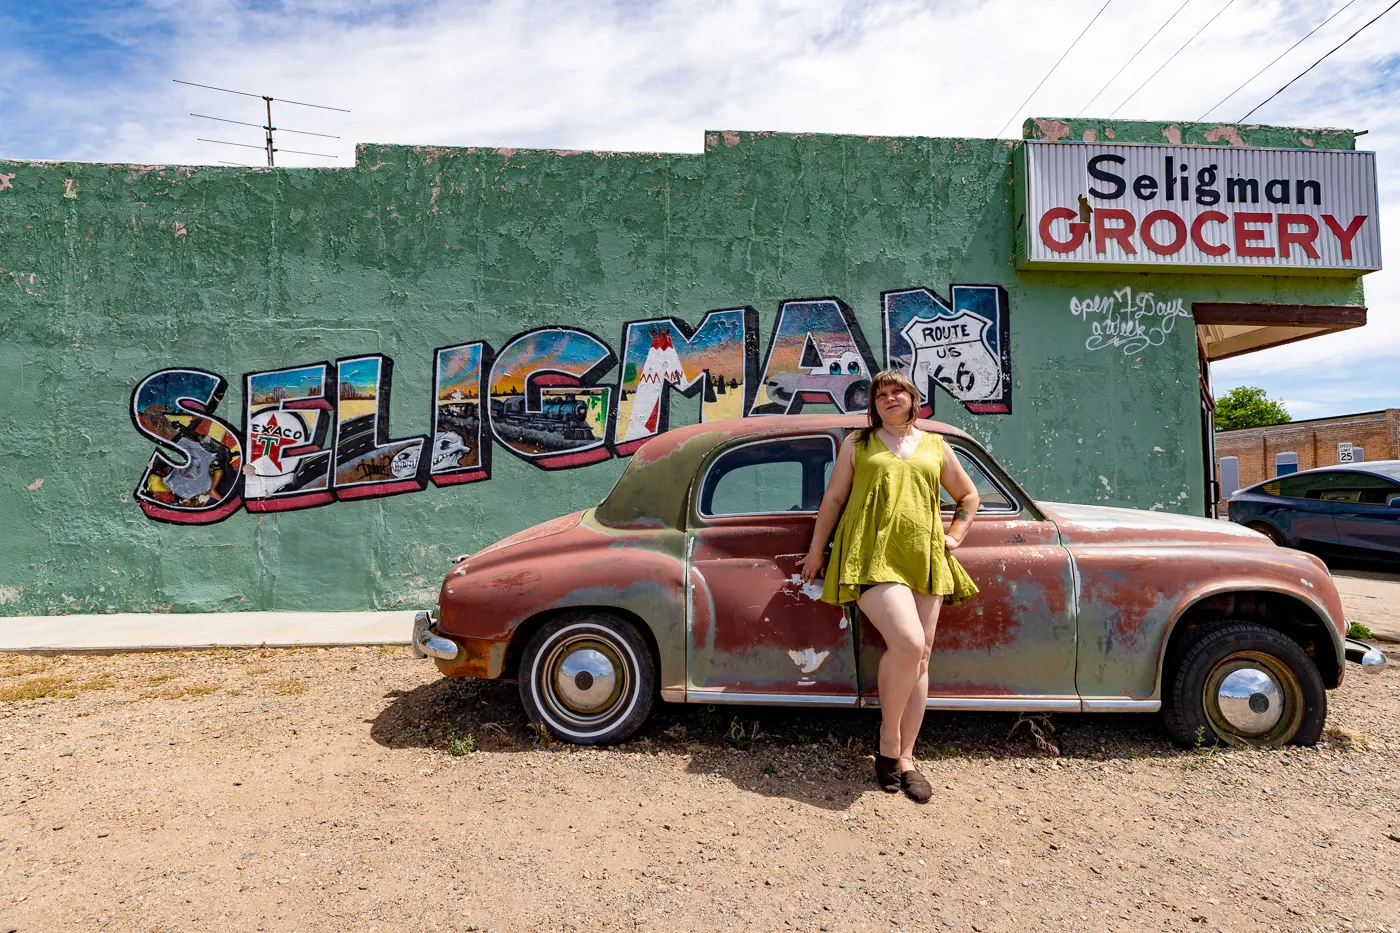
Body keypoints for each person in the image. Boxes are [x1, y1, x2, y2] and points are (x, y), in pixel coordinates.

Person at [797, 370, 979, 803]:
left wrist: (955, 536)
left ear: (914, 399)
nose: (889, 397)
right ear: (873, 405)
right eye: (880, 394)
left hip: (924, 555)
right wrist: (817, 550)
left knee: (922, 654)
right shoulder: (857, 445)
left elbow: (968, 497)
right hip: (870, 555)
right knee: (909, 642)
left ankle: (908, 759)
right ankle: (888, 744)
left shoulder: (936, 445)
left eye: (897, 391)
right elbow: (835, 500)